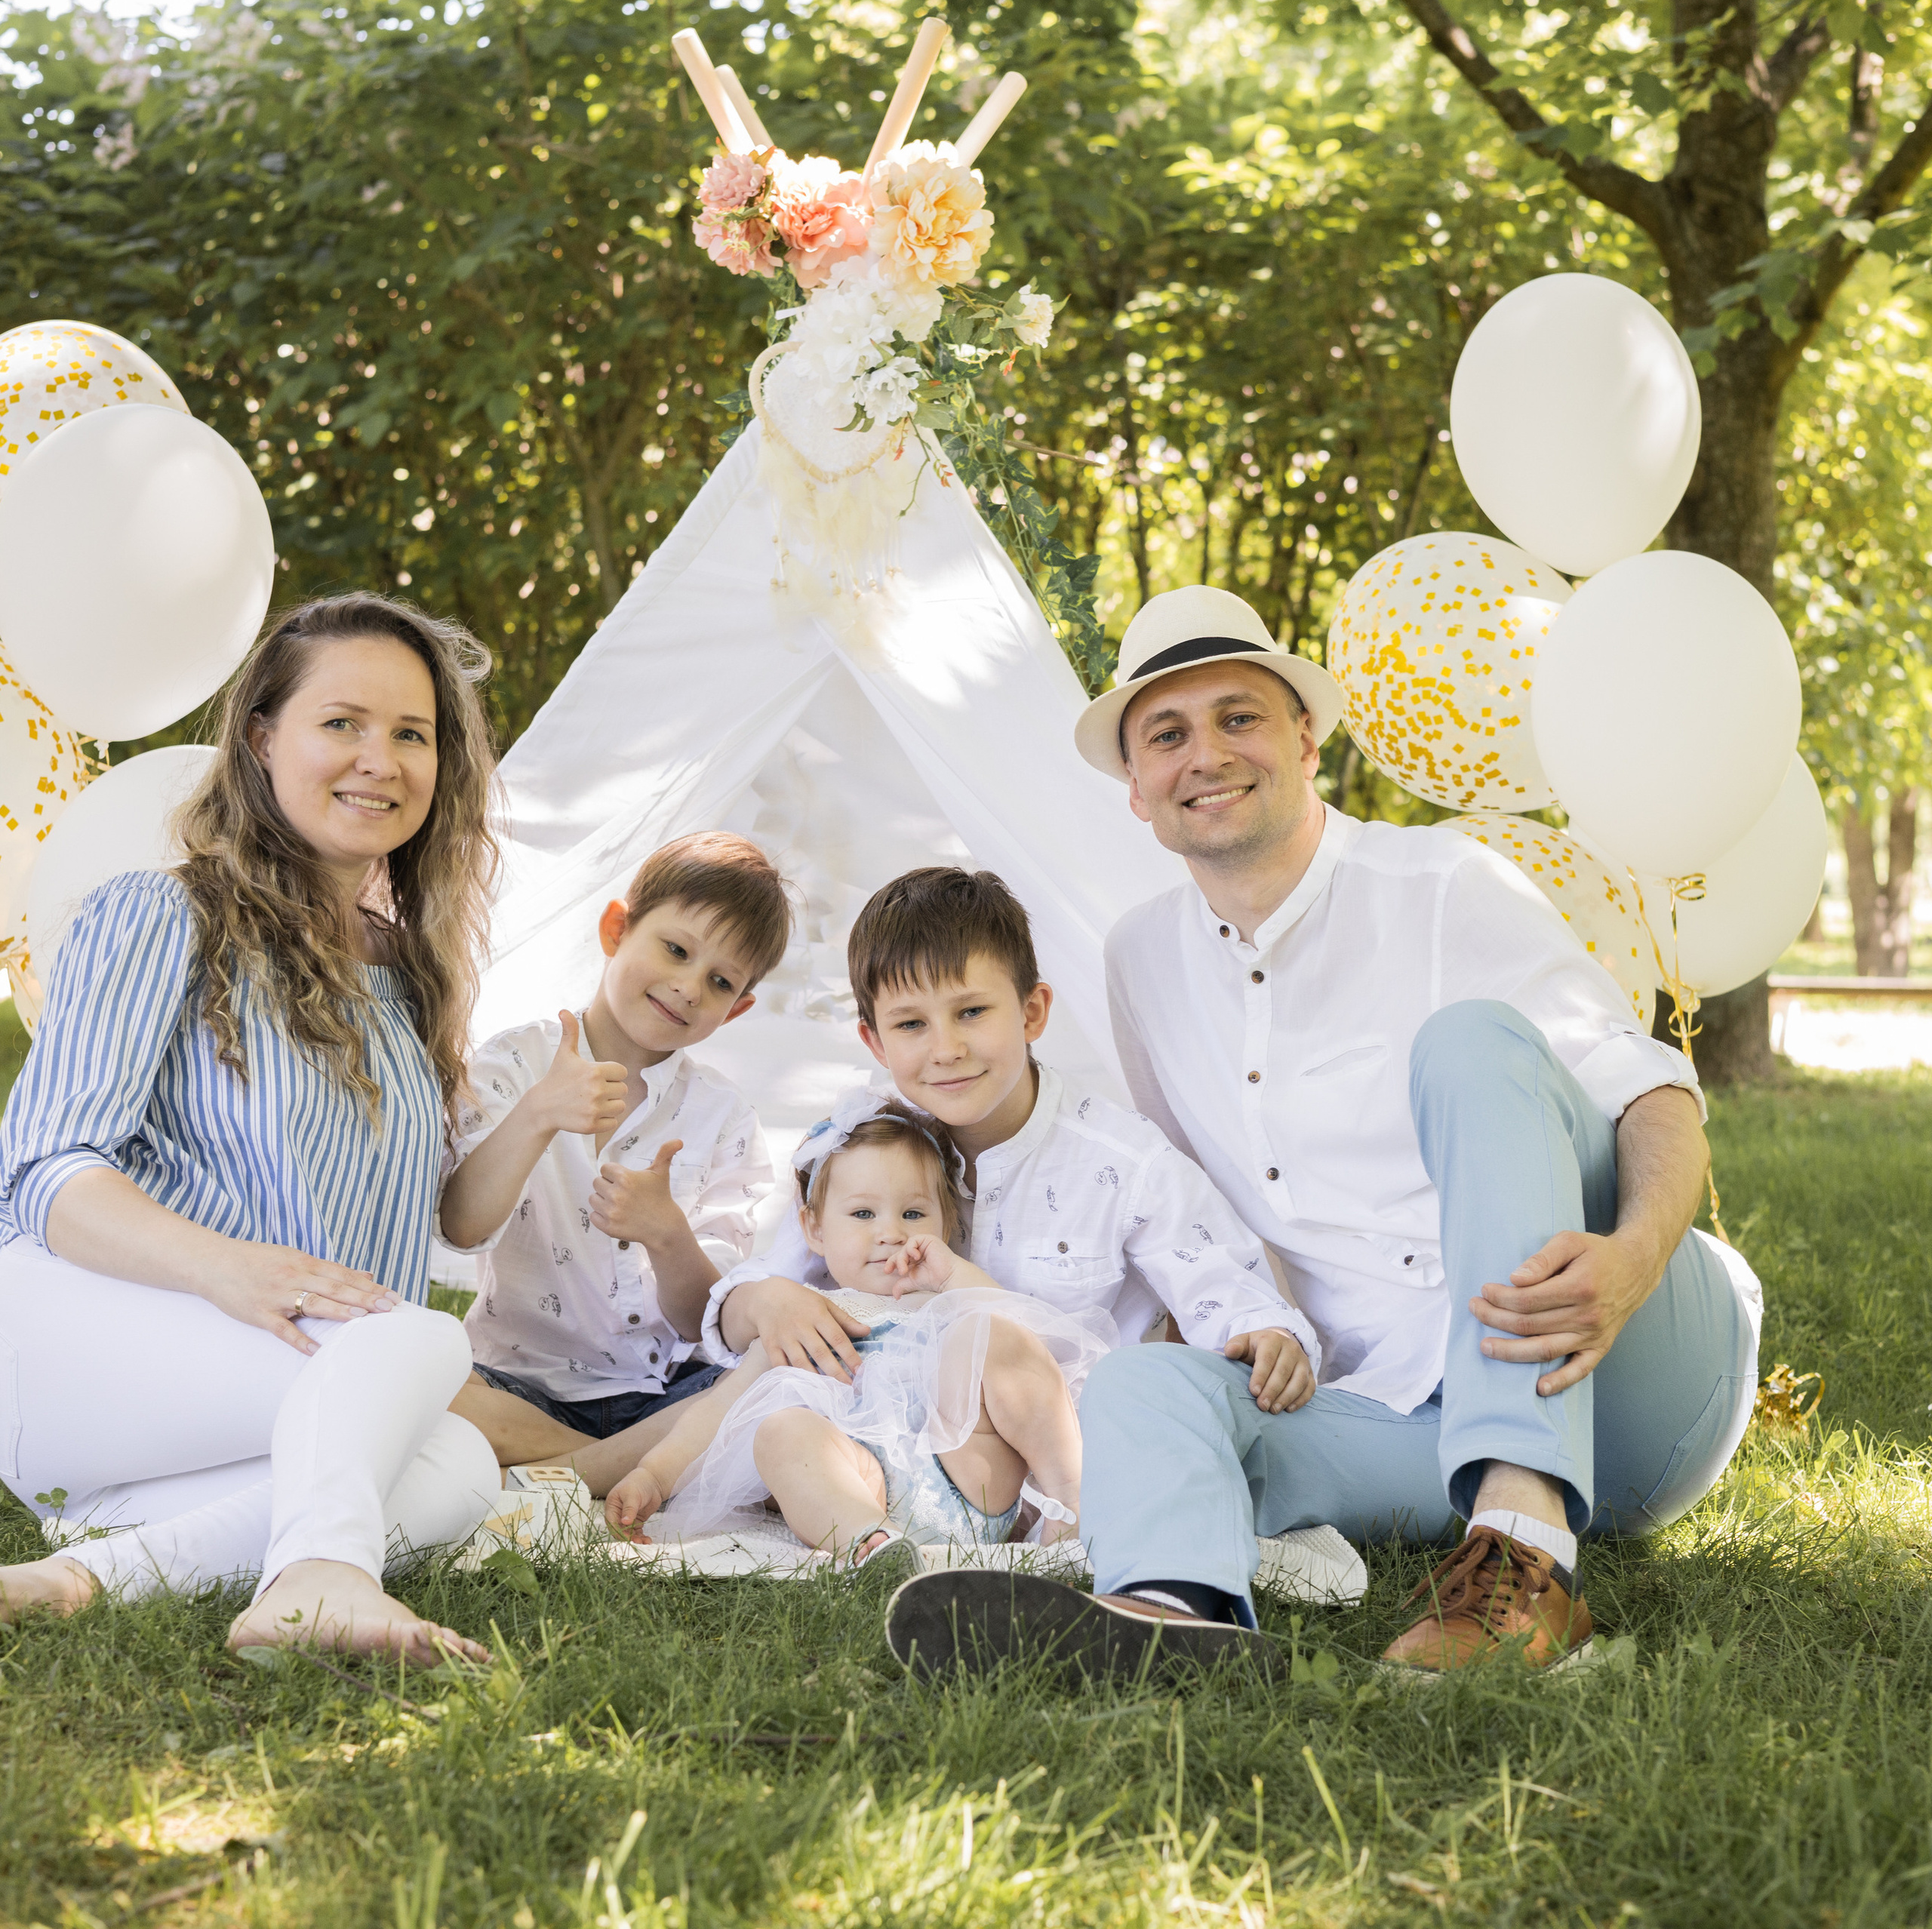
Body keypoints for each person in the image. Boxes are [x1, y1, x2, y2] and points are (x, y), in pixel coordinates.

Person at [887, 585, 1763, 1680]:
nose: (1205, 752)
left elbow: (1654, 1096)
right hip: (1391, 1417)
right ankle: (1173, 1618)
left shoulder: (1444, 886)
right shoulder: (1138, 959)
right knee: (1139, 1386)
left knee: (1473, 1044)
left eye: (1238, 716)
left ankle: (1528, 1554)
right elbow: (1188, 1203)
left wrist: (1633, 1264)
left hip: (1621, 1371)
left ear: (1305, 738)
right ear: (1137, 792)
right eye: (1167, 734)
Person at [0, 593, 509, 1664]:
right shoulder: (160, 914)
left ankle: (80, 1574)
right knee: (422, 1340)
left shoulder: (409, 979)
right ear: (262, 737)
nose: (381, 758)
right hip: (77, 1339)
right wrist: (227, 1270)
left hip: (244, 1405)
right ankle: (324, 1573)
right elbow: (48, 1173)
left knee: (457, 1462)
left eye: (411, 734)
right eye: (343, 722)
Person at [694, 866, 1321, 1435]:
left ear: (1031, 1012)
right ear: (875, 1041)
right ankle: (610, 1469)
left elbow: (1225, 1291)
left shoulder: (1127, 1165)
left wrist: (1266, 1335)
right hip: (884, 1435)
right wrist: (764, 1301)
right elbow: (759, 1289)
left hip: (1059, 1450)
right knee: (753, 1393)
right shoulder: (863, 1142)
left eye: (971, 1012)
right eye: (911, 1024)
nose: (945, 1049)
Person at [606, 1100, 1106, 1576]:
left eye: (912, 1214)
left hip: (969, 1475)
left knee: (996, 1332)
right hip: (864, 1486)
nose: (889, 1232)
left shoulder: (946, 1297)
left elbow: (1021, 1338)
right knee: (780, 1430)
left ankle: (1074, 1501)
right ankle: (869, 1542)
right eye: (863, 1214)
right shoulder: (808, 1319)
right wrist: (653, 1474)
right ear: (815, 1229)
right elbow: (720, 1411)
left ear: (945, 1223)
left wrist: (954, 1276)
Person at [437, 832, 786, 1472]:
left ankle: (562, 1473)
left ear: (737, 1010)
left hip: (659, 1395)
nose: (687, 988)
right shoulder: (515, 1063)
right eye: (675, 950)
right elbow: (461, 1226)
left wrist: (668, 1236)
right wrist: (539, 1114)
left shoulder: (723, 1117)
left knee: (770, 1381)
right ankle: (618, 1467)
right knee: (431, 1393)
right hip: (517, 1384)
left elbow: (697, 1322)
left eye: (719, 982)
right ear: (617, 929)